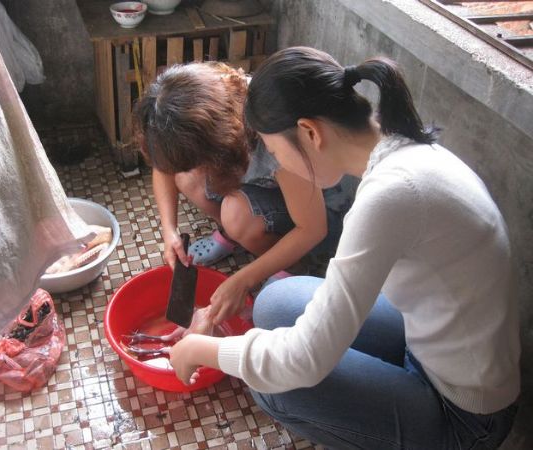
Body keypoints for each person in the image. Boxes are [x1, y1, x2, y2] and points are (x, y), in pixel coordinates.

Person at [167, 47, 520, 449]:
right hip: (428, 337)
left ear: (310, 133)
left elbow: (304, 360)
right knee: (276, 301)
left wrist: (200, 349)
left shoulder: (389, 197)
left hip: (463, 414)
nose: (279, 162)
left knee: (275, 387)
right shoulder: (405, 153)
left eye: (276, 151)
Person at [137, 62, 357, 324]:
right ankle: (234, 235)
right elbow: (165, 166)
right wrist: (169, 230)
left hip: (320, 211)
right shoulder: (199, 102)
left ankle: (294, 265)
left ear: (220, 146)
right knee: (187, 177)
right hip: (266, 186)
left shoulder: (277, 137)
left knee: (236, 214)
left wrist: (244, 280)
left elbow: (313, 229)